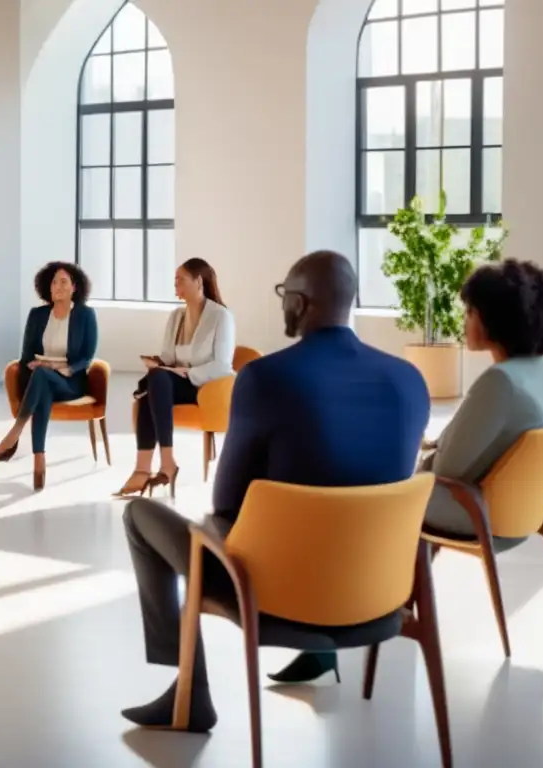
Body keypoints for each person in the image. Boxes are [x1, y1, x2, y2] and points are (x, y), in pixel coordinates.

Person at [120, 251, 430, 731]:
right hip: (377, 594)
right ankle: (320, 656)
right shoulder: (409, 380)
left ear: (301, 303)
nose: (283, 305)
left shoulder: (267, 378)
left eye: (286, 295)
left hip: (279, 595)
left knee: (141, 517)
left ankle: (191, 691)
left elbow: (227, 504)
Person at [421, 259, 543, 545]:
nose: (464, 321)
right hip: (522, 512)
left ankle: (390, 587)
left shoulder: (500, 382)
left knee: (387, 498)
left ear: (495, 319)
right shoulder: (539, 370)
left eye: (470, 312)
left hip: (478, 512)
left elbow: (446, 471)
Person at [115, 259, 235, 498]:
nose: (175, 284)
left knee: (151, 386)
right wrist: (160, 363)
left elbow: (222, 365)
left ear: (199, 281)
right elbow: (169, 356)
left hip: (206, 387)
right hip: (176, 382)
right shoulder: (176, 316)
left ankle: (148, 468)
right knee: (155, 380)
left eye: (181, 279)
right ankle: (159, 464)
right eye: (174, 280)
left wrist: (187, 373)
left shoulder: (220, 316)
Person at [0, 261, 98, 491]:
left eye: (63, 281)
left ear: (74, 287)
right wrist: (39, 366)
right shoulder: (37, 315)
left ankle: (16, 432)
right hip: (41, 379)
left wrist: (62, 368)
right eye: (54, 282)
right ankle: (39, 461)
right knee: (41, 379)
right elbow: (26, 354)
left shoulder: (85, 315)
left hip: (69, 381)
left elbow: (87, 356)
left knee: (43, 375)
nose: (57, 286)